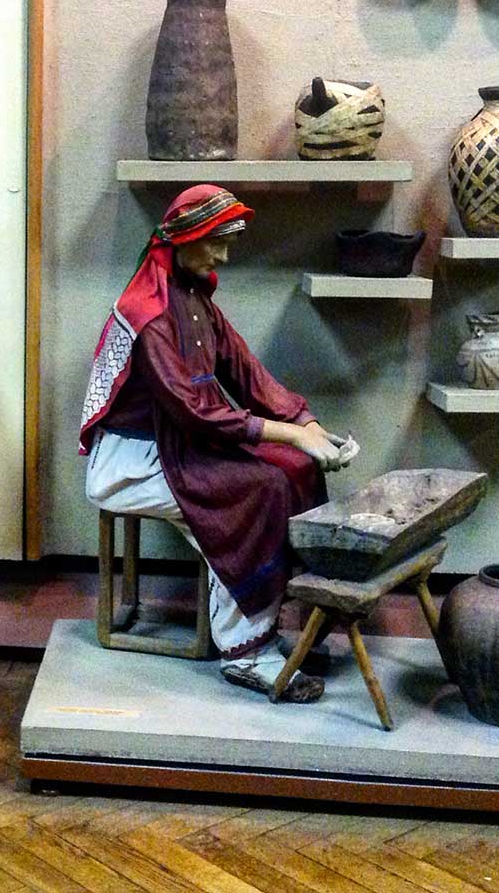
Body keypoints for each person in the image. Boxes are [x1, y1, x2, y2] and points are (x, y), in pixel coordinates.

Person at [80, 184, 354, 701]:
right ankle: (246, 651)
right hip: (133, 460)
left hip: (180, 443)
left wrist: (306, 424)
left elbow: (245, 372)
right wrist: (292, 432)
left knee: (296, 470)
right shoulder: (149, 314)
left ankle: (275, 624)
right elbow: (195, 411)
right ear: (186, 238)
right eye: (216, 242)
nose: (224, 256)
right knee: (256, 491)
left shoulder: (194, 296)